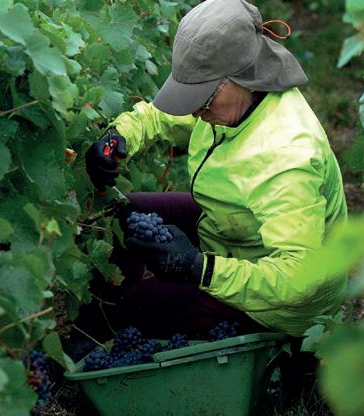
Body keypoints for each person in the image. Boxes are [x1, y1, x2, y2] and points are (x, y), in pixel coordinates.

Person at [83, 0, 347, 342]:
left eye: (203, 99)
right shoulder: (239, 99)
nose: (195, 112)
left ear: (241, 77)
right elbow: (163, 116)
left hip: (280, 306)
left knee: (138, 306)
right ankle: (97, 330)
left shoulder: (286, 158)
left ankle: (119, 333)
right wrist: (120, 136)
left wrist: (199, 268)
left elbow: (299, 278)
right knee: (126, 212)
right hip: (234, 230)